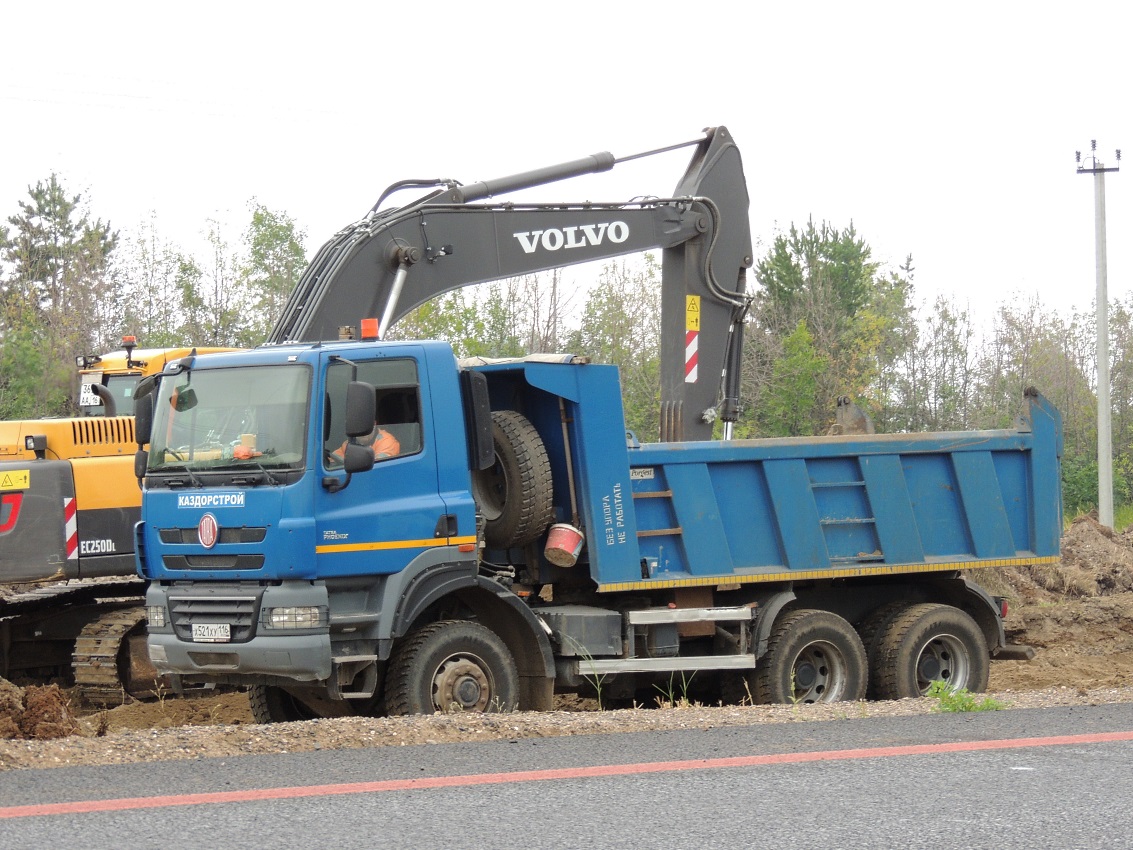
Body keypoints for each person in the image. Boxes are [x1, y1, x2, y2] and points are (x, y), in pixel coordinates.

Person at [332, 421, 400, 462]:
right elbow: (333, 460)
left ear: (374, 424)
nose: (362, 429)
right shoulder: (349, 443)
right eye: (357, 425)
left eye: (365, 424)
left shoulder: (386, 441)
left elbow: (377, 467)